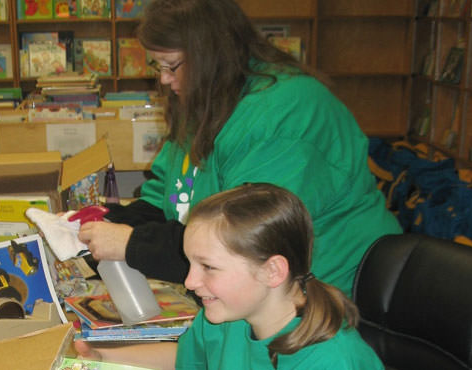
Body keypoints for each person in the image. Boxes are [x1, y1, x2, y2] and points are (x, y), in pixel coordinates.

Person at [78, 0, 401, 297]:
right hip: (256, 286)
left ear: (209, 55)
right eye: (157, 65)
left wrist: (132, 244)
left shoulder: (285, 112)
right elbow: (172, 195)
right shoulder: (210, 99)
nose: (163, 79)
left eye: (171, 65)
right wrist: (104, 222)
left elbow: (246, 243)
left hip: (328, 294)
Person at [75, 184, 384, 369]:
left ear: (272, 271)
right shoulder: (226, 318)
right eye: (191, 263)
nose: (190, 282)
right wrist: (102, 357)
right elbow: (185, 359)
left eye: (208, 267)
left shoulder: (332, 361)